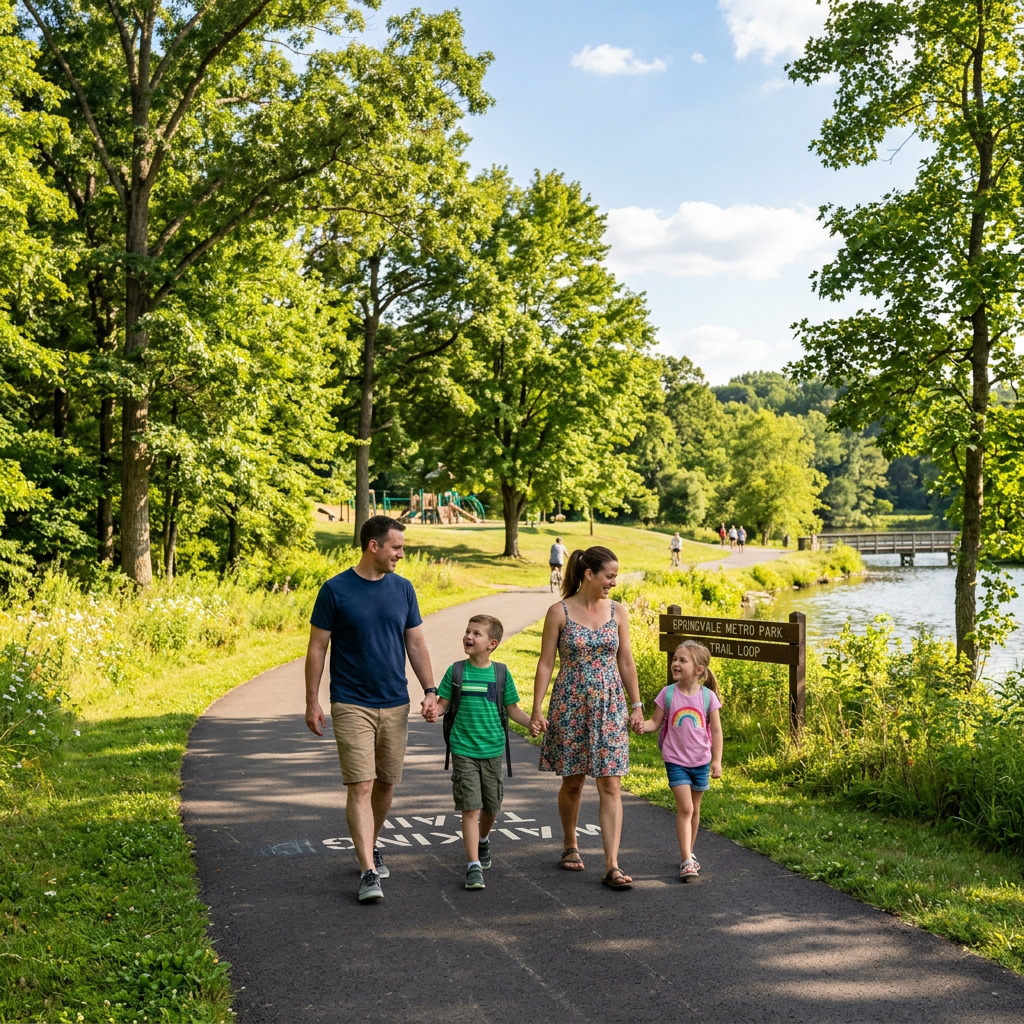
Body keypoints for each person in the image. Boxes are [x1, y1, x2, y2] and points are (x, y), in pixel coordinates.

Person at [304, 515, 438, 903]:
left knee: (385, 784)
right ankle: (367, 870)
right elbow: (317, 647)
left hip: (394, 701)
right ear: (373, 546)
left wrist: (429, 689)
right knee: (360, 784)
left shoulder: (404, 589)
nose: (401, 553)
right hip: (351, 702)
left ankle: (370, 843)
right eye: (396, 547)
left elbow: (415, 644)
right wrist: (312, 700)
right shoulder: (335, 590)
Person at [530, 546, 645, 889]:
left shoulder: (618, 612)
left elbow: (626, 661)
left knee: (611, 783)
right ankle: (570, 844)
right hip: (570, 703)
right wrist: (536, 707)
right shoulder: (559, 611)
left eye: (615, 575)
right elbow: (546, 663)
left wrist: (637, 705)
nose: (614, 581)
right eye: (609, 575)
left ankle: (612, 865)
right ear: (589, 574)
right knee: (574, 781)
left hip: (610, 705)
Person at [430, 614, 531, 890]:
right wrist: (432, 711)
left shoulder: (500, 673)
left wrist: (533, 722)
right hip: (463, 748)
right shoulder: (456, 671)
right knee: (470, 808)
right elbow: (442, 705)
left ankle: (483, 840)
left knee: (492, 806)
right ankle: (473, 866)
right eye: (467, 631)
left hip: (493, 748)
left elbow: (512, 710)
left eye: (477, 633)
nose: (469, 637)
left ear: (492, 643)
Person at [639, 640, 723, 881]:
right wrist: (640, 726)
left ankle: (689, 852)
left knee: (695, 809)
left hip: (701, 761)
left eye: (682, 660)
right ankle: (686, 859)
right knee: (685, 808)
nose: (675, 663)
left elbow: (716, 731)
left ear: (698, 670)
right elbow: (654, 723)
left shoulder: (708, 697)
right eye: (675, 659)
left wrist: (716, 761)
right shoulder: (668, 693)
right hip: (675, 760)